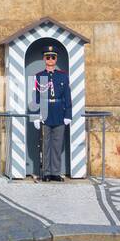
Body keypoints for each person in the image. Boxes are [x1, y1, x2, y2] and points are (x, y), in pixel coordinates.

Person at [33, 44, 72, 181]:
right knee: (46, 144)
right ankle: (46, 173)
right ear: (44, 59)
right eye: (48, 57)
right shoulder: (39, 76)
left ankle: (55, 172)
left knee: (57, 144)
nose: (50, 59)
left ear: (56, 59)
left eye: (53, 57)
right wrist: (35, 116)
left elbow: (67, 96)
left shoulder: (63, 76)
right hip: (45, 112)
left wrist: (68, 115)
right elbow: (36, 97)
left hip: (59, 113)